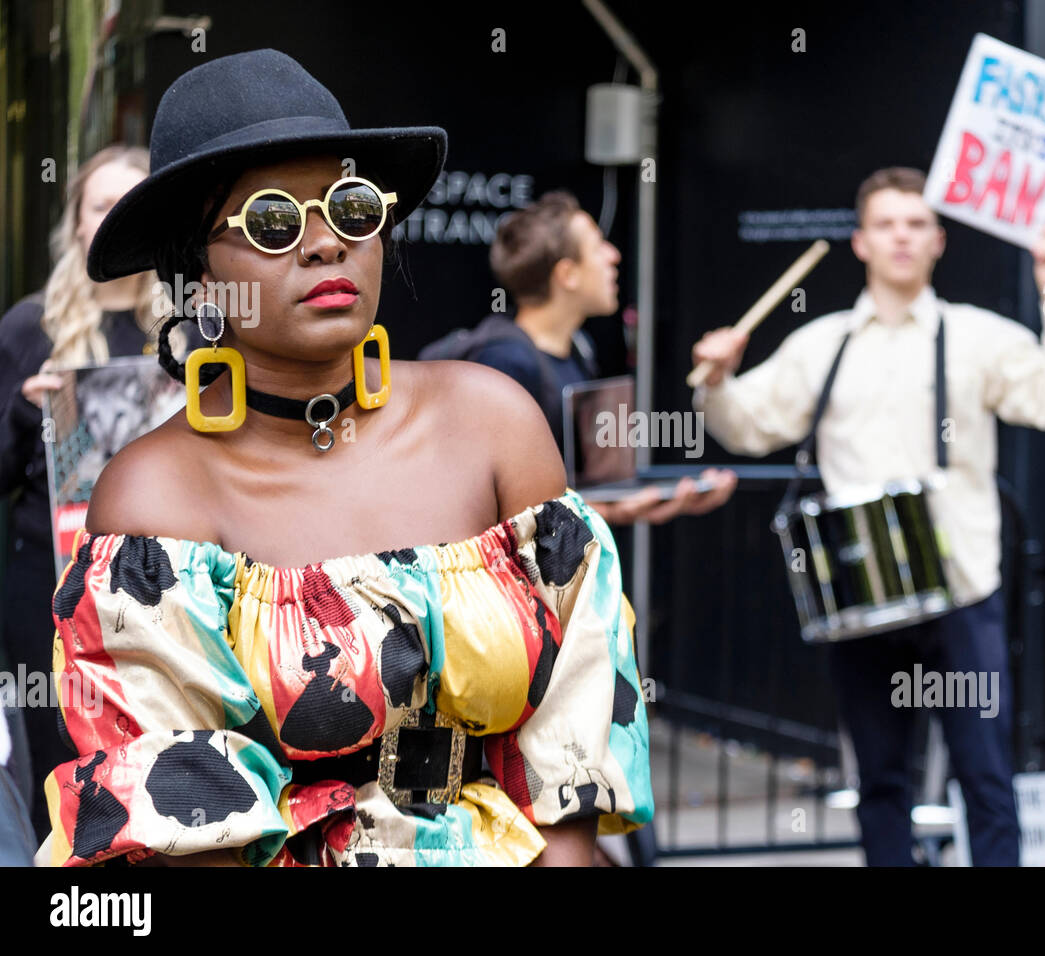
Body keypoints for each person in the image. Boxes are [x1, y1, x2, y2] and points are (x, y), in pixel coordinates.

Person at [39, 49, 652, 868]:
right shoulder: (155, 496)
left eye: (352, 207)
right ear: (199, 273)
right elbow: (185, 831)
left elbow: (579, 715)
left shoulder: (492, 420)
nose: (325, 244)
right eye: (271, 221)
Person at [690, 167, 1045, 865]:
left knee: (986, 778)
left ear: (938, 241)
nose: (901, 237)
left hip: (962, 592)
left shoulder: (978, 337)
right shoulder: (822, 344)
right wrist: (718, 378)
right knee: (880, 782)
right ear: (860, 243)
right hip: (863, 600)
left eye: (915, 224)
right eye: (886, 224)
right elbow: (748, 426)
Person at [0, 144, 181, 842]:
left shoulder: (190, 332)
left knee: (150, 749)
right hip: (46, 584)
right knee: (57, 755)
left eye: (130, 202)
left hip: (159, 583)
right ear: (76, 224)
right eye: (100, 203)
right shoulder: (28, 327)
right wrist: (24, 410)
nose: (113, 218)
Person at [447, 190, 736, 525]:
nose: (613, 256)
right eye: (598, 246)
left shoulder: (579, 350)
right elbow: (500, 510)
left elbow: (565, 493)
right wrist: (616, 510)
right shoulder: (507, 363)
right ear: (567, 274)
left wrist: (636, 504)